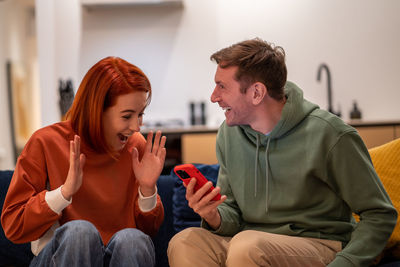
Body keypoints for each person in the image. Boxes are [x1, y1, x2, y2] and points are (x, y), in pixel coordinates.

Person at [167, 38, 397, 267]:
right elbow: (232, 211)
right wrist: (213, 216)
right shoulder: (229, 134)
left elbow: (379, 214)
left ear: (257, 92)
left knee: (248, 246)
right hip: (247, 243)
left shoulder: (331, 135)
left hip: (319, 245)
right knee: (185, 242)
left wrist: (346, 263)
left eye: (222, 86)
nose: (214, 96)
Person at [1, 56, 167, 267]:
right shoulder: (45, 142)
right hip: (59, 258)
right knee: (80, 233)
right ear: (96, 111)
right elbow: (14, 226)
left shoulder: (136, 146)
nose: (136, 126)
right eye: (127, 116)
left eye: (140, 114)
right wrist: (64, 193)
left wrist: (147, 189)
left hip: (115, 256)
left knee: (133, 240)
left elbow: (149, 231)